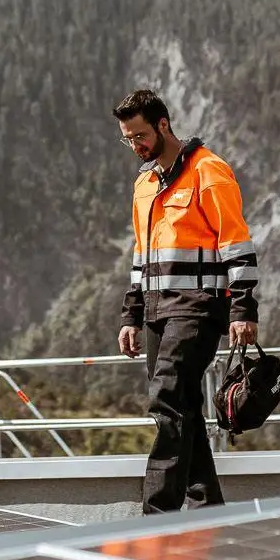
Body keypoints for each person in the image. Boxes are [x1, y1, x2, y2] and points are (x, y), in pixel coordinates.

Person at [114, 88, 260, 513]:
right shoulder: (144, 185)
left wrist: (244, 308)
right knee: (183, 407)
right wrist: (132, 315)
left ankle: (157, 514)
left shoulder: (209, 171)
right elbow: (141, 256)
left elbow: (237, 244)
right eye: (127, 139)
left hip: (199, 307)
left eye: (139, 136)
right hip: (158, 310)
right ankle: (206, 507)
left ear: (163, 125)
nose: (135, 146)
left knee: (167, 400)